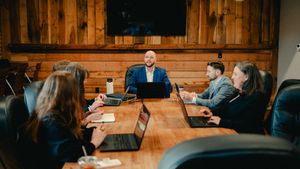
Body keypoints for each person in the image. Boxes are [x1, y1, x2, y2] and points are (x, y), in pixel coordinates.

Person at [17, 71, 107, 169]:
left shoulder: (51, 112)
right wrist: (94, 142)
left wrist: (92, 131)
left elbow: (69, 139)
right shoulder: (51, 122)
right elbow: (70, 154)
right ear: (68, 97)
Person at [206, 61, 265, 134]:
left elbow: (247, 125)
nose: (232, 77)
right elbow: (224, 107)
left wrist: (222, 122)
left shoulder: (256, 97)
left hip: (245, 139)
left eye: (235, 74)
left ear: (246, 77)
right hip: (230, 132)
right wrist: (211, 112)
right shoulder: (237, 92)